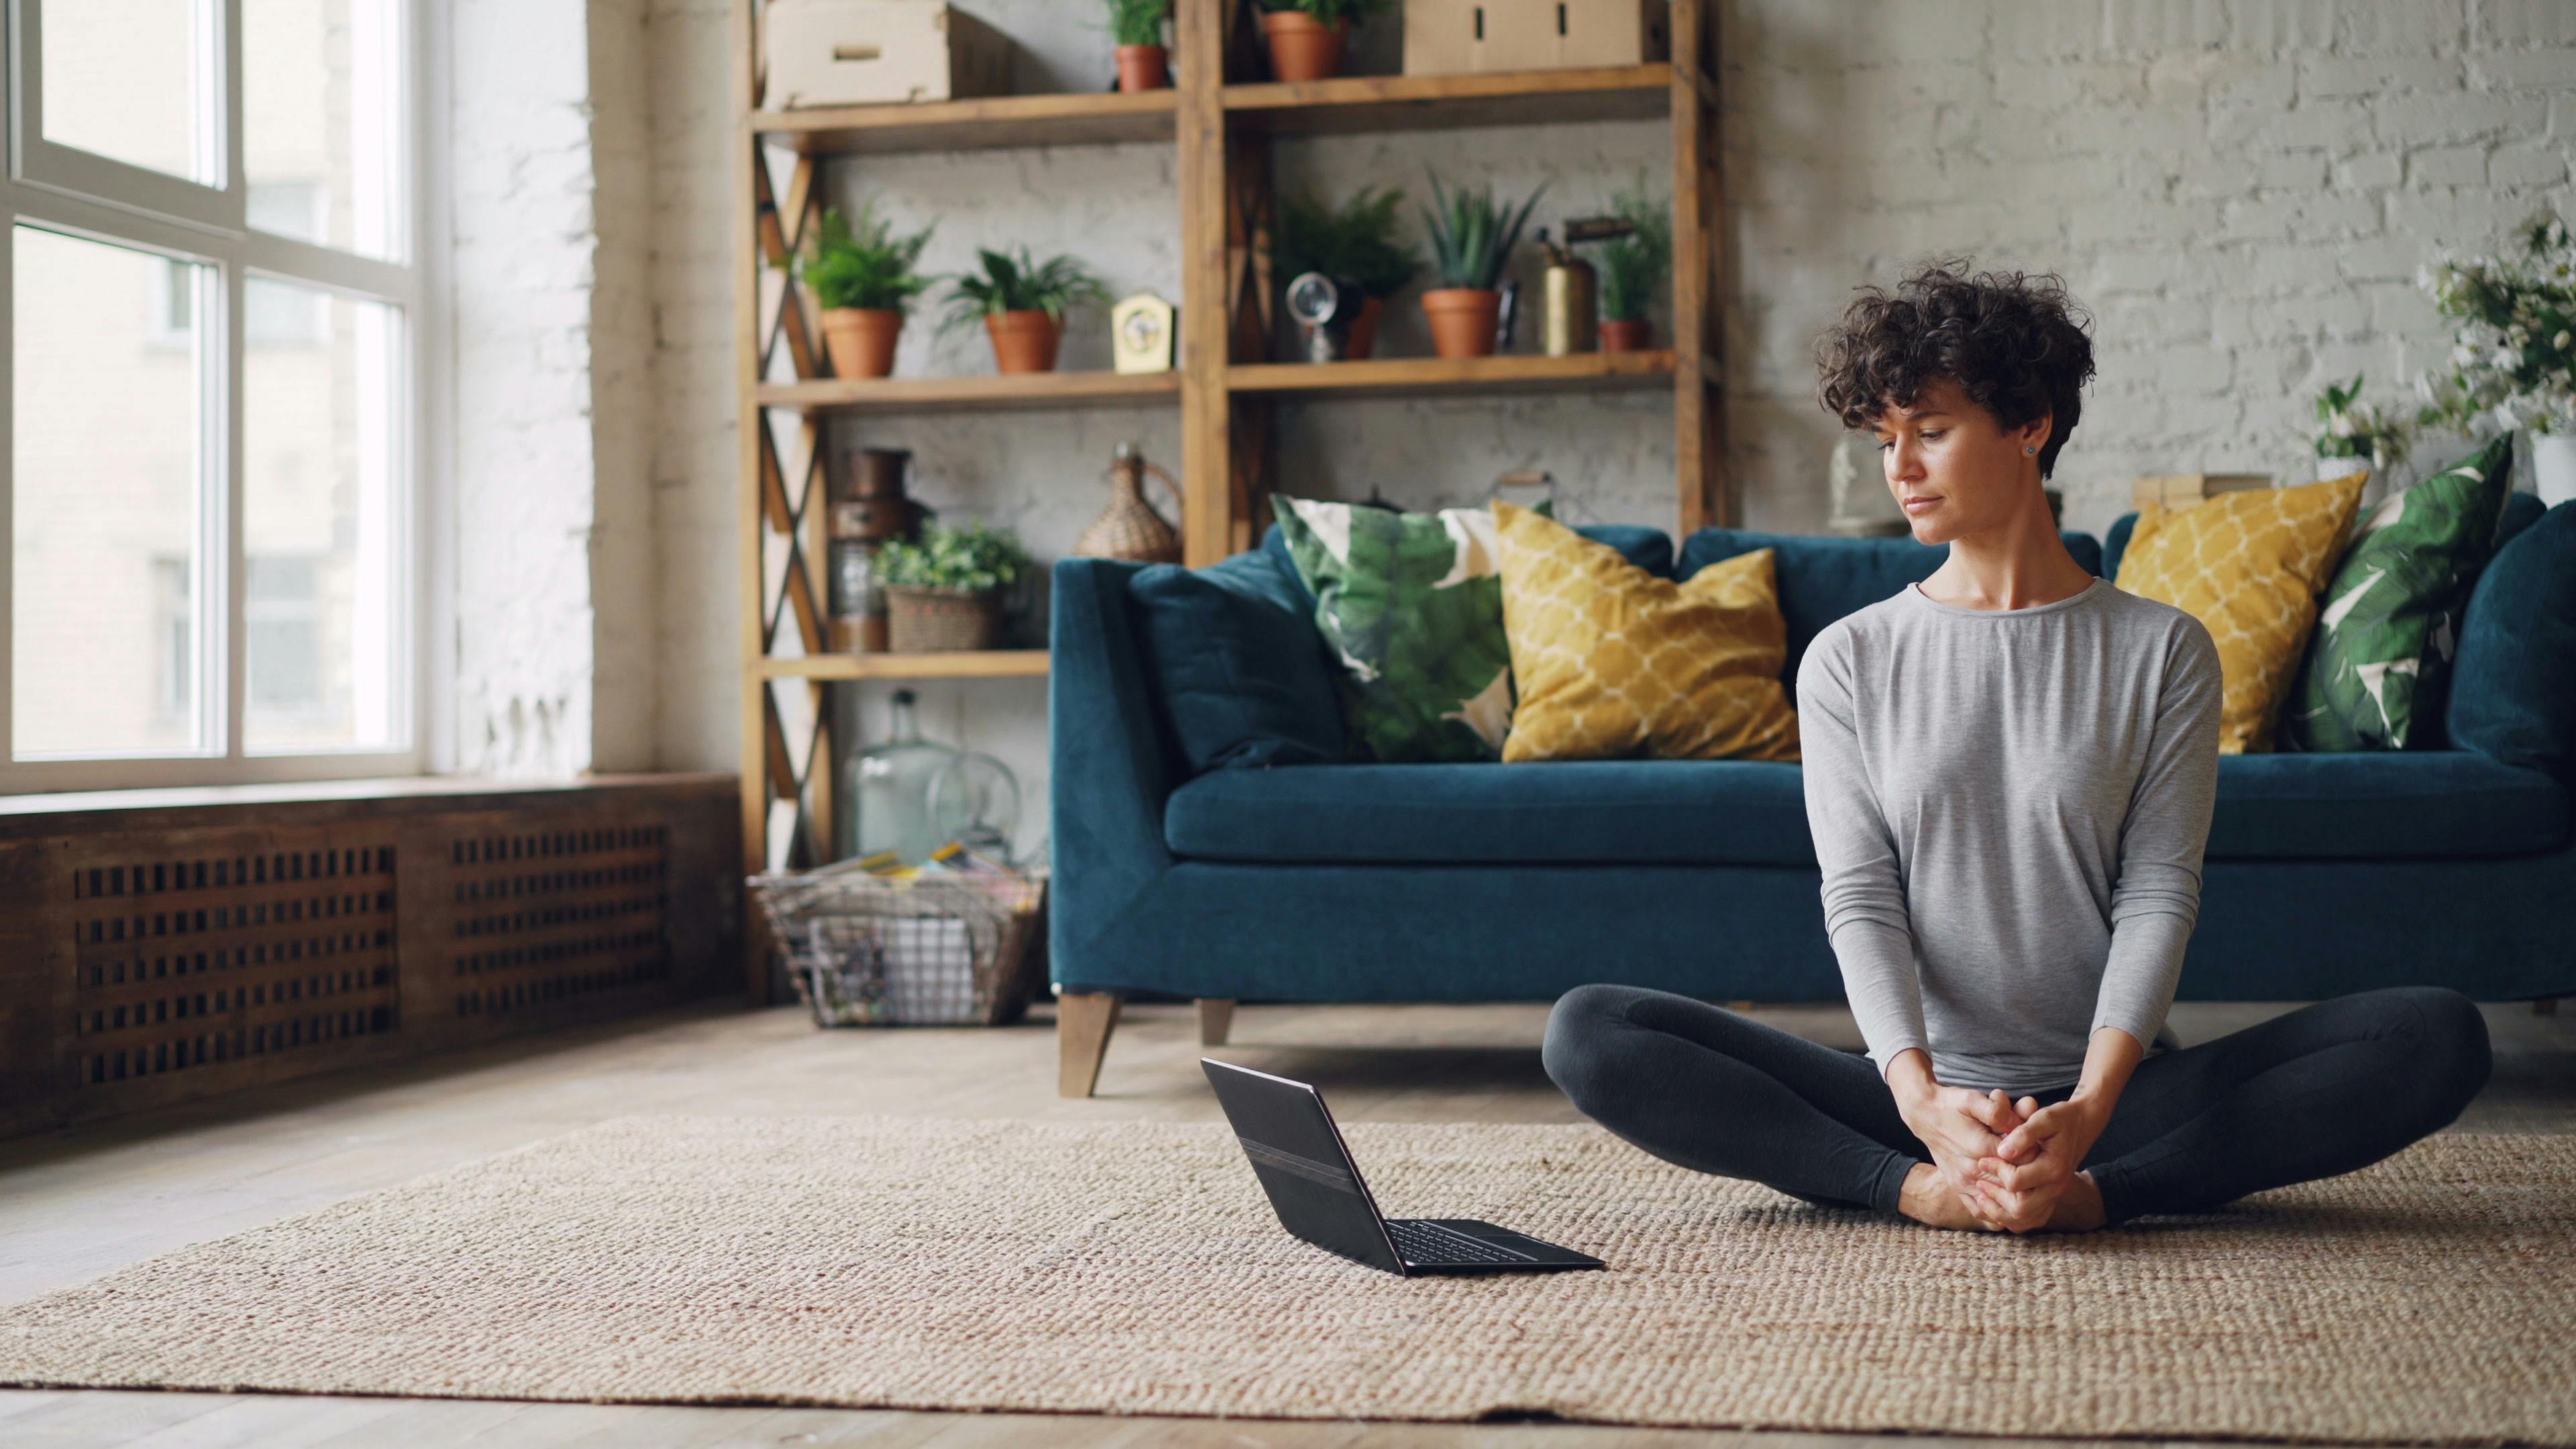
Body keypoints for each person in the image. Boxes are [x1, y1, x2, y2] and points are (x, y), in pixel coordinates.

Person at [1543, 260, 2492, 1234]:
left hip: (2113, 1106)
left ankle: (2089, 1196)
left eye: (1932, 431)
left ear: (2030, 423)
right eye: (1885, 438)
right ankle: (1917, 1192)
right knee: (1593, 1031)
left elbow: (2159, 893)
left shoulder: (2163, 650)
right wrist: (1921, 1111)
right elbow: (1860, 895)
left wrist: (2086, 1115)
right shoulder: (1848, 660)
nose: (1899, 467)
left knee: (2434, 1034)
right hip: (1910, 1103)